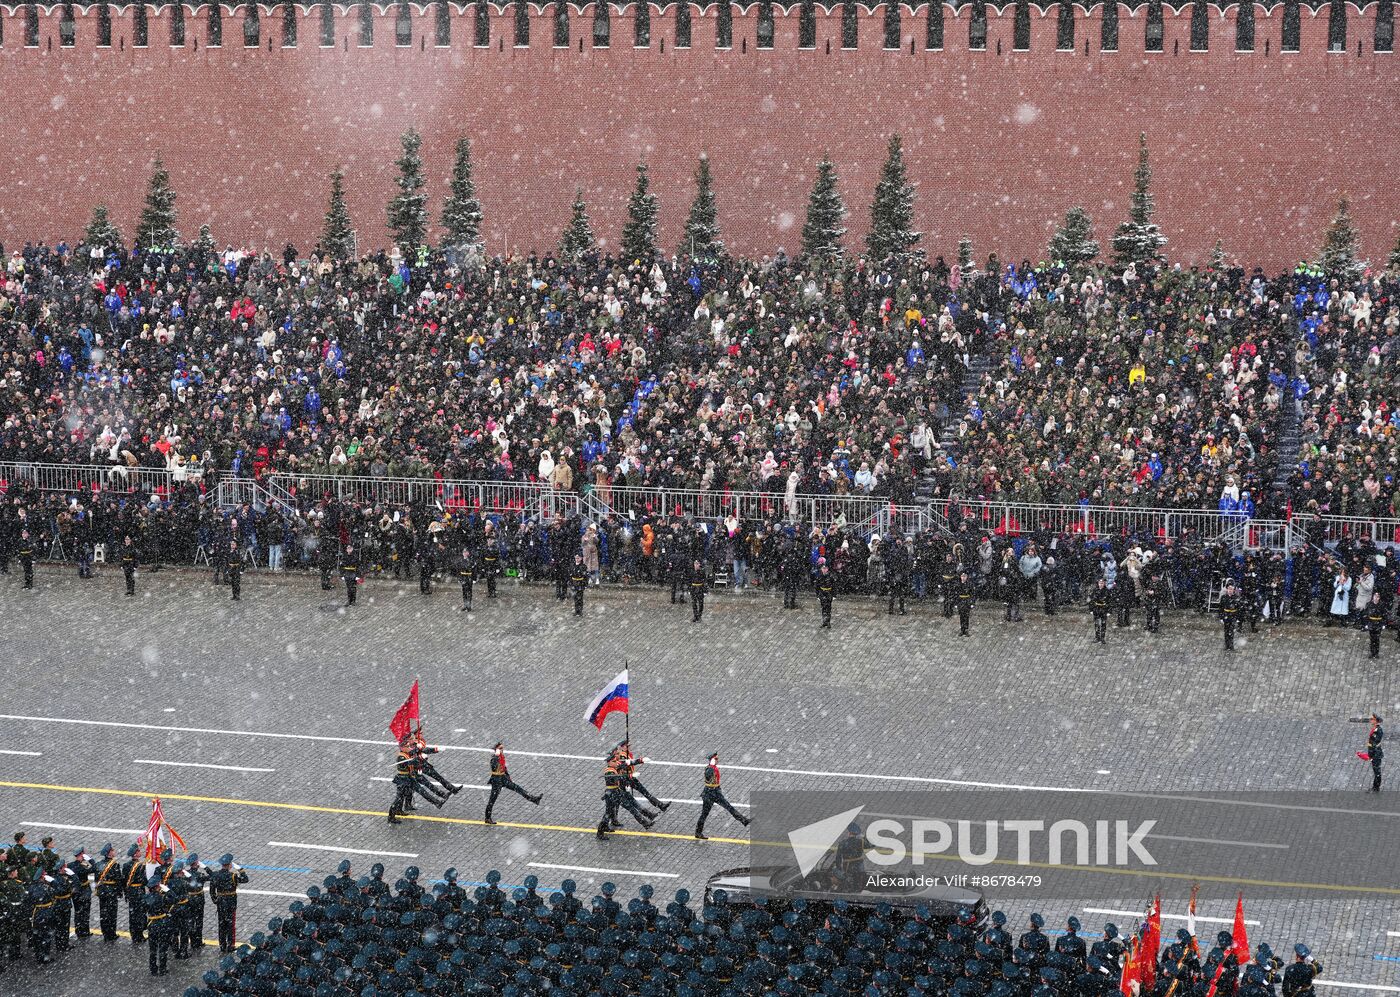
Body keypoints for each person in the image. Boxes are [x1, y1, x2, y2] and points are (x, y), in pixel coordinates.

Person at [695, 752, 750, 840]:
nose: (717, 760)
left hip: (715, 792)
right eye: (716, 759)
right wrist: (711, 767)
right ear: (712, 760)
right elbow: (709, 777)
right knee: (705, 814)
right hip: (710, 794)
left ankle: (744, 820)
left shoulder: (713, 768)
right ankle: (698, 833)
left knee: (728, 807)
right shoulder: (710, 769)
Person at [484, 741, 542, 824]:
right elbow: (494, 767)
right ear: (496, 750)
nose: (502, 750)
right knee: (492, 800)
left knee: (517, 788)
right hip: (496, 780)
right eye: (500, 748)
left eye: (502, 748)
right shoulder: (494, 758)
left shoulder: (502, 757)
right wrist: (496, 756)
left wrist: (508, 777)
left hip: (503, 778)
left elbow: (504, 768)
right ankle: (487, 818)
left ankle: (533, 799)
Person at [209, 854, 248, 954]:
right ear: (229, 864)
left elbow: (212, 891)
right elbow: (245, 879)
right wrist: (241, 870)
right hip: (231, 903)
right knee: (231, 925)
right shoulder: (233, 876)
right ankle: (230, 945)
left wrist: (215, 901)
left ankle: (222, 945)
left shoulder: (215, 875)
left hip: (221, 903)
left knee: (221, 925)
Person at [93, 842, 122, 942]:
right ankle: (111, 934)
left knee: (103, 913)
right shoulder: (115, 864)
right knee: (112, 913)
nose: (114, 852)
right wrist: (119, 892)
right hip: (111, 891)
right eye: (112, 850)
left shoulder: (98, 864)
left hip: (102, 891)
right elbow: (118, 879)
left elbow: (97, 879)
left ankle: (105, 933)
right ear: (109, 853)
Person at [121, 842, 147, 944]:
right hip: (139, 891)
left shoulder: (126, 865)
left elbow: (124, 881)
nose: (140, 852)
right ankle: (139, 935)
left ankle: (134, 935)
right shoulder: (140, 866)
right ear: (135, 854)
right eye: (138, 851)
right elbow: (144, 881)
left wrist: (126, 893)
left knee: (133, 914)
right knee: (140, 914)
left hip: (131, 892)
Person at [145, 879, 172, 975]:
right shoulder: (162, 897)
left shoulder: (146, 897)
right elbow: (175, 899)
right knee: (163, 947)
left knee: (152, 949)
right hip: (162, 924)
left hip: (151, 924)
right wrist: (168, 890)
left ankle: (153, 969)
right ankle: (162, 968)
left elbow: (142, 910)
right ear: (157, 887)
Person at [70, 846, 96, 938]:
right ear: (82, 854)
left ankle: (78, 930)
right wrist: (91, 860)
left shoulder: (70, 865)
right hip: (84, 890)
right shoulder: (84, 865)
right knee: (85, 911)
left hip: (75, 891)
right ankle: (84, 931)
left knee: (78, 911)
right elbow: (94, 868)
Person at [1220, 580, 1241, 651]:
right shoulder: (1223, 597)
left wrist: (1238, 617)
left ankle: (1231, 645)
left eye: (1231, 589)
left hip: (1233, 615)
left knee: (1231, 631)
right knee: (1226, 631)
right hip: (1226, 615)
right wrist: (1221, 617)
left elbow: (1238, 608)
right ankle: (1226, 645)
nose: (1230, 590)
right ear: (1227, 589)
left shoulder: (1236, 597)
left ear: (1234, 590)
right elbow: (1221, 608)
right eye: (1229, 589)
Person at [1364, 594, 1386, 659]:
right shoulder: (1369, 604)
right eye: (1375, 596)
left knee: (1377, 639)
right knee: (1372, 639)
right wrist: (1366, 623)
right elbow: (1365, 614)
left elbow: (1384, 615)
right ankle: (1372, 652)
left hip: (1378, 624)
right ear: (1373, 597)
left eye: (1377, 597)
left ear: (1379, 598)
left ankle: (1376, 653)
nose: (1376, 598)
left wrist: (1383, 624)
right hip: (1371, 623)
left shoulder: (1381, 605)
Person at [955, 569, 975, 637]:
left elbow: (972, 594)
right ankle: (962, 629)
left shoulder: (969, 584)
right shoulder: (958, 584)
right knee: (961, 616)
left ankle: (966, 629)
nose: (963, 578)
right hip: (960, 601)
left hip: (967, 601)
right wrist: (956, 603)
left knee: (966, 616)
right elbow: (955, 594)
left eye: (965, 576)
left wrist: (972, 603)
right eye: (962, 576)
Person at [1090, 578, 1111, 644]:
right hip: (1096, 608)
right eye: (1100, 583)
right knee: (1096, 624)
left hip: (1104, 609)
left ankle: (1102, 637)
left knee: (1103, 624)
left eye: (1102, 583)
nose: (1101, 584)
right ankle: (1097, 637)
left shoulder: (1107, 591)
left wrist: (1109, 611)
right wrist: (1091, 609)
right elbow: (1091, 600)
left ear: (1104, 584)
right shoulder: (1095, 590)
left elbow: (1110, 601)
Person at [1367, 714, 1384, 792]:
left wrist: (1370, 755)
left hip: (1376, 754)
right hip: (1374, 753)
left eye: (1372, 719)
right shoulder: (1375, 729)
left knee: (1377, 771)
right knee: (1376, 771)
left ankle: (1376, 787)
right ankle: (1375, 786)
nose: (1370, 720)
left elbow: (1374, 744)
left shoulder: (1377, 730)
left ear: (1376, 721)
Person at [688, 558, 709, 623]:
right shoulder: (691, 571)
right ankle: (695, 615)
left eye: (697, 564)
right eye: (695, 564)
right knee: (694, 603)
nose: (696, 565)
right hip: (693, 588)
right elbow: (689, 581)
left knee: (701, 603)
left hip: (700, 588)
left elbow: (705, 581)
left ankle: (699, 615)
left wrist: (705, 590)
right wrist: (689, 589)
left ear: (699, 564)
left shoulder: (702, 571)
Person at [816, 560, 835, 628]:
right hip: (822, 593)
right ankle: (824, 621)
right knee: (823, 608)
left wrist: (834, 595)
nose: (824, 570)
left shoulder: (830, 576)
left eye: (825, 568)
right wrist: (817, 595)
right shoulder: (819, 576)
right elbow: (817, 586)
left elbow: (834, 586)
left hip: (829, 593)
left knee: (828, 608)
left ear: (827, 569)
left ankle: (828, 622)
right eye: (823, 568)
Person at [455, 546, 475, 611]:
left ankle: (469, 606)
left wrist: (474, 578)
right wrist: (459, 578)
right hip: (463, 577)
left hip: (469, 577)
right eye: (463, 552)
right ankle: (465, 605)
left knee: (469, 592)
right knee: (464, 592)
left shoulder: (471, 560)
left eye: (466, 552)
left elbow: (474, 570)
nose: (464, 553)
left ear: (468, 553)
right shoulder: (460, 560)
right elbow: (458, 570)